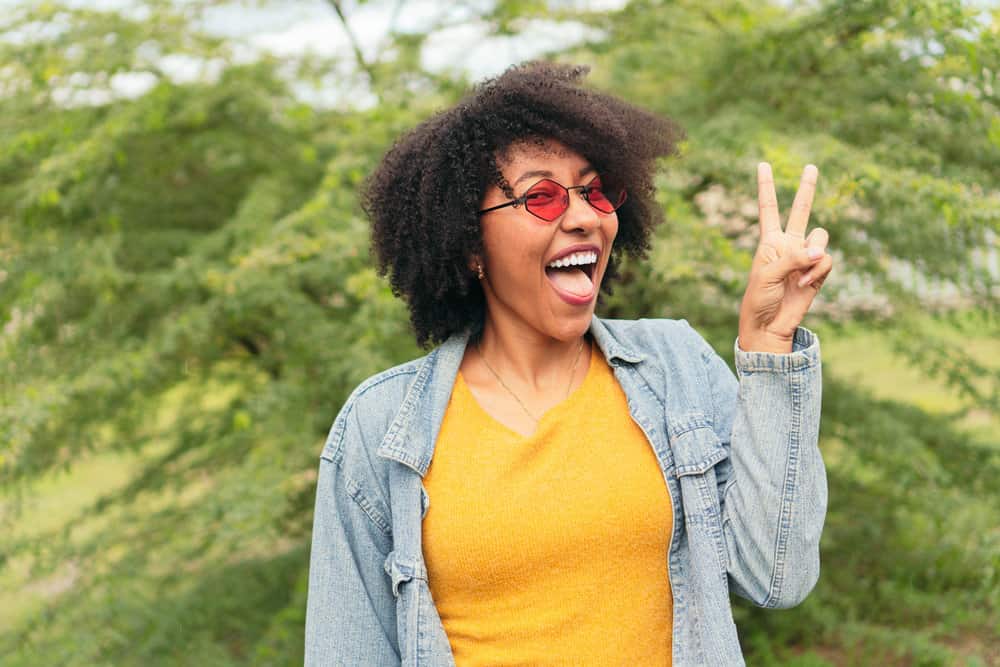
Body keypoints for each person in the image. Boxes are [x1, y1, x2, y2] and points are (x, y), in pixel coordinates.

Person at [305, 62, 832, 666]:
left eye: (595, 190)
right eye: (542, 197)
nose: (584, 216)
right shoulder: (380, 428)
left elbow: (777, 575)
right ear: (470, 245)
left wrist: (768, 346)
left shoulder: (676, 368)